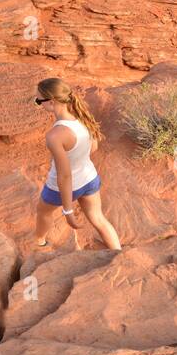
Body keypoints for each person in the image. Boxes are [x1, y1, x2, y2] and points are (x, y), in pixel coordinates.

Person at [32, 78, 123, 251]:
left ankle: (40, 243)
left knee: (43, 211)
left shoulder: (55, 135)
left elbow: (65, 176)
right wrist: (76, 156)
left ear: (51, 102)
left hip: (64, 187)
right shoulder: (82, 118)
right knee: (98, 219)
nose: (38, 105)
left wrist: (68, 211)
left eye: (38, 101)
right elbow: (93, 147)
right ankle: (118, 254)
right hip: (89, 179)